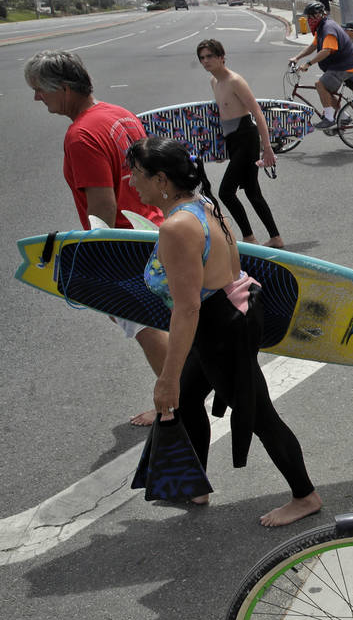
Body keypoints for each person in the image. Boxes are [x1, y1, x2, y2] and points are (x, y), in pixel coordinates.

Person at [126, 136, 322, 527]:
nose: (131, 183)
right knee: (188, 397)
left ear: (161, 180)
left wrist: (165, 378)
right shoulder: (201, 204)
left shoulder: (178, 227)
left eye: (136, 175)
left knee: (259, 413)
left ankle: (305, 496)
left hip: (220, 326)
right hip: (231, 310)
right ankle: (195, 483)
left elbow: (187, 308)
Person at [24, 49, 168, 427]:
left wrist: (96, 263)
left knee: (142, 324)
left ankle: (173, 403)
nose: (37, 98)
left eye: (40, 89)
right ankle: (182, 391)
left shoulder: (81, 135)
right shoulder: (119, 113)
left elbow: (102, 205)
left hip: (121, 244)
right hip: (150, 229)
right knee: (161, 319)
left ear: (66, 89)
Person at [196, 39, 283, 248]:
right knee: (252, 191)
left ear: (221, 57)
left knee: (226, 191)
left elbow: (257, 113)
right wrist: (220, 150)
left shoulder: (235, 80)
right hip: (233, 139)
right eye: (202, 58)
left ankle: (249, 237)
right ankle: (275, 238)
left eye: (209, 56)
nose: (205, 61)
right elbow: (222, 117)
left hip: (246, 137)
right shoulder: (214, 82)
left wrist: (267, 148)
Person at [288, 1, 353, 129]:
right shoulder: (321, 28)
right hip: (340, 65)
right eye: (308, 17)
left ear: (318, 15)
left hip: (345, 66)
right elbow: (313, 46)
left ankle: (329, 118)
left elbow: (326, 51)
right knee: (326, 92)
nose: (308, 20)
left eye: (310, 17)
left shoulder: (328, 29)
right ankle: (344, 118)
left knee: (319, 85)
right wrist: (297, 57)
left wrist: (308, 64)